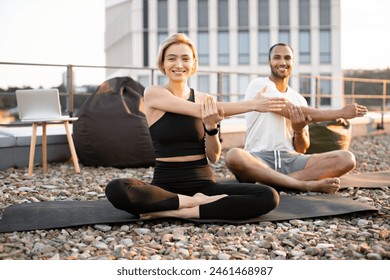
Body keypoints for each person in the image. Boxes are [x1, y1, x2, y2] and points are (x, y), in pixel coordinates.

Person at [105, 33, 288, 220]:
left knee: (268, 196)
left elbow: (214, 156)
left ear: (193, 64)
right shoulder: (154, 93)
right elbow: (197, 110)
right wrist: (251, 105)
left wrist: (211, 128)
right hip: (165, 184)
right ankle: (194, 203)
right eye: (171, 58)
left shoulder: (204, 98)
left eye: (185, 59)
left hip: (203, 183)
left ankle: (172, 211)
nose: (178, 64)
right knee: (116, 189)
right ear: (162, 64)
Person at [225, 43, 368, 194]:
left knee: (346, 158)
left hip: (291, 159)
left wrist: (299, 130)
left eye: (287, 58)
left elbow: (302, 148)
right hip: (258, 158)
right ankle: (303, 185)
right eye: (277, 58)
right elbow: (290, 110)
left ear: (293, 63)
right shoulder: (260, 85)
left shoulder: (299, 99)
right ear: (269, 62)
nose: (282, 62)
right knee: (234, 156)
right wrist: (340, 112)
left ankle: (275, 183)